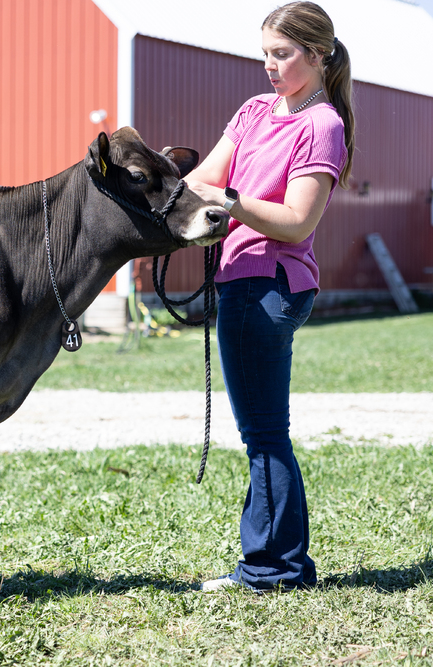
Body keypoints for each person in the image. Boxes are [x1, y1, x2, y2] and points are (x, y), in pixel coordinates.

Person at [185, 1, 355, 591]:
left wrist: (228, 202)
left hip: (269, 284)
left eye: (281, 54)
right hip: (242, 278)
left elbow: (297, 221)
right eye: (265, 54)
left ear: (318, 54)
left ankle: (275, 569)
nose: (269, 65)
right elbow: (204, 178)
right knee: (263, 431)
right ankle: (278, 564)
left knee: (263, 434)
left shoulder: (322, 125)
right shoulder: (255, 110)